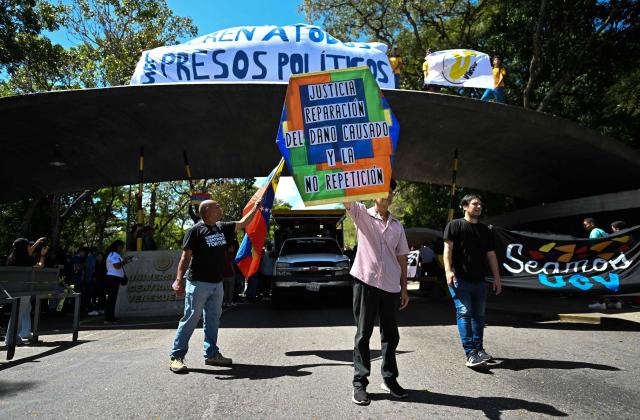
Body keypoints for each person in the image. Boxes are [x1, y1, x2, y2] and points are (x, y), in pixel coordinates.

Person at [169, 198, 261, 374]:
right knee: (190, 319)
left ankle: (211, 354)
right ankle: (177, 356)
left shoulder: (221, 226)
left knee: (212, 320)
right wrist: (178, 280)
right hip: (198, 283)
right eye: (217, 206)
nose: (220, 208)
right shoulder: (195, 231)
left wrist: (256, 208)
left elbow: (243, 223)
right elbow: (185, 257)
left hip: (216, 284)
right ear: (207, 210)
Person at [344, 179, 410, 405]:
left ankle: (390, 380)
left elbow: (402, 257)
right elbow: (346, 196)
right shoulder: (362, 214)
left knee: (391, 336)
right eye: (384, 192)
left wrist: (404, 287)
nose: (389, 196)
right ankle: (359, 383)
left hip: (391, 286)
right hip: (366, 282)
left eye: (391, 193)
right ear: (374, 194)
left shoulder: (397, 226)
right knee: (363, 334)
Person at [443, 194, 502, 369]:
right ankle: (470, 353)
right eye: (475, 204)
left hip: (479, 280)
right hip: (459, 279)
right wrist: (448, 270)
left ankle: (479, 349)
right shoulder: (454, 226)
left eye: (480, 204)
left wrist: (497, 278)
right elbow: (448, 250)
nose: (478, 207)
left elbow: (491, 255)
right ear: (465, 206)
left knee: (479, 316)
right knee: (464, 312)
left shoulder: (485, 230)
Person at [4, 237, 48, 345]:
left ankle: (25, 332)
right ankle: (11, 338)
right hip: (23, 290)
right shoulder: (28, 260)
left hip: (12, 290)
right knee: (18, 312)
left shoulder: (11, 259)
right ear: (25, 248)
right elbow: (40, 267)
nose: (30, 248)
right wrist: (42, 255)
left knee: (27, 308)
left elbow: (27, 251)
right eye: (29, 246)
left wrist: (36, 243)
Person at [104, 240, 132, 323]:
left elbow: (119, 265)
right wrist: (125, 261)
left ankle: (111, 317)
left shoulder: (115, 255)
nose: (122, 248)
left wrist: (125, 261)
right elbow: (116, 266)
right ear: (117, 246)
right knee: (111, 298)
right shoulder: (113, 254)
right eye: (121, 246)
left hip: (115, 278)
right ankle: (108, 318)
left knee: (113, 298)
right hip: (112, 278)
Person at [222, 244, 236, 309]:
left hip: (224, 275)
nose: (233, 249)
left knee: (225, 289)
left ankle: (224, 302)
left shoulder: (224, 254)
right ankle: (229, 302)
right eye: (232, 247)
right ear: (229, 248)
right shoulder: (231, 255)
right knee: (230, 289)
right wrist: (234, 273)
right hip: (230, 275)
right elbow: (231, 264)